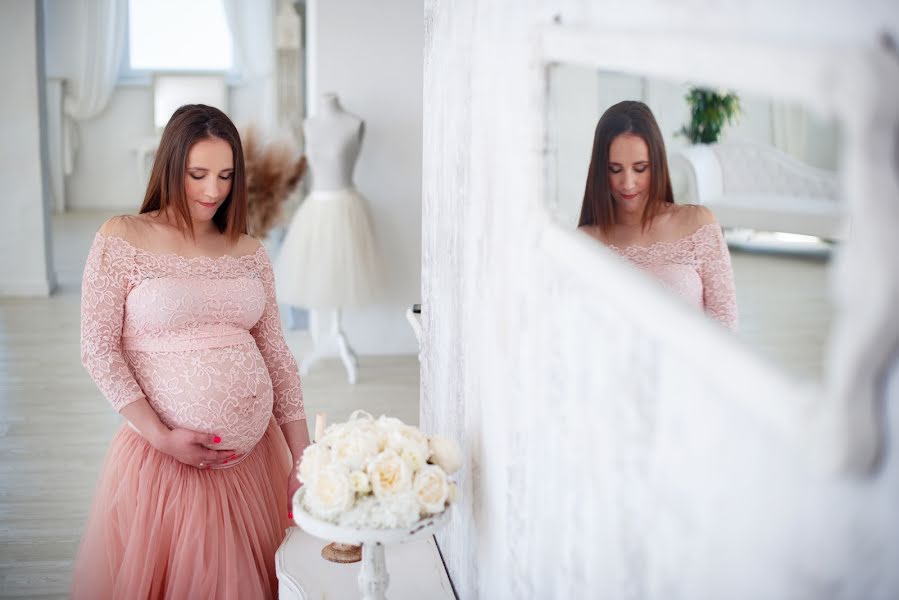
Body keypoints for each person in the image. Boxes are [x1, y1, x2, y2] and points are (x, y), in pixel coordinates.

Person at [71, 104, 310, 599]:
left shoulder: (248, 250)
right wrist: (160, 436)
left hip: (255, 463)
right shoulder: (123, 238)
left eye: (225, 175)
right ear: (170, 166)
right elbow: (98, 350)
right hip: (168, 462)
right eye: (197, 174)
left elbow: (277, 356)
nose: (212, 191)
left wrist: (302, 456)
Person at [578, 100, 738, 330]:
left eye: (640, 168)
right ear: (601, 171)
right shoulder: (585, 241)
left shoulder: (698, 225)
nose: (628, 183)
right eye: (615, 169)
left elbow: (725, 324)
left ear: (658, 164)